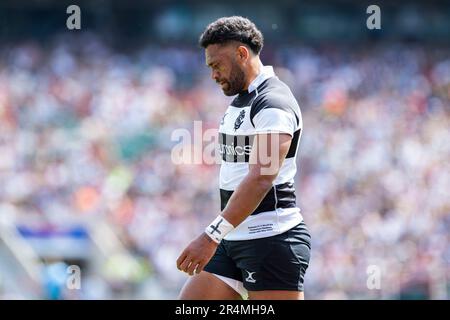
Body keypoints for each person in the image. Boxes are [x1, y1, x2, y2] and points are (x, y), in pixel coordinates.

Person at [176, 16, 311, 300]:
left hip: (271, 240)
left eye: (217, 65)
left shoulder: (273, 102)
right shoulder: (241, 99)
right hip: (233, 238)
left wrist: (211, 235)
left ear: (241, 54)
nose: (213, 74)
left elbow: (262, 177)